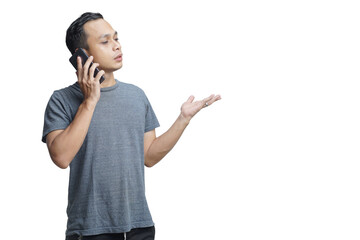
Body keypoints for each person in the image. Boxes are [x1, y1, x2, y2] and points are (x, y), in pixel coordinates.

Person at [42, 12, 221, 240]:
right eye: (105, 41)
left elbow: (149, 156)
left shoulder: (136, 96)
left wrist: (183, 119)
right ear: (82, 55)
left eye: (116, 38)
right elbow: (61, 157)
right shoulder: (62, 99)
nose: (117, 46)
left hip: (140, 226)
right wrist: (89, 101)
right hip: (90, 230)